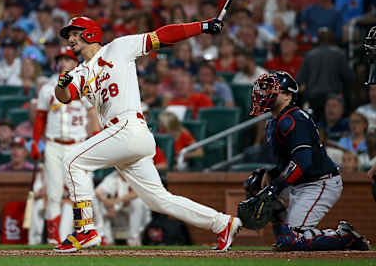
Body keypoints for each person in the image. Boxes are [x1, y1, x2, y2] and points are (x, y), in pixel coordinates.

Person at [53, 16, 241, 252]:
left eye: (73, 33)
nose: (69, 39)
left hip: (127, 127)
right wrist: (61, 85)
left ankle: (85, 230)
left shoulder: (118, 48)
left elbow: (162, 35)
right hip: (124, 137)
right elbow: (66, 96)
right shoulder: (80, 72)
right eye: (68, 35)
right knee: (158, 199)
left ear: (89, 33)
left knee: (71, 160)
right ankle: (222, 223)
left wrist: (202, 27)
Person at [250, 71, 369, 251]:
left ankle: (345, 236)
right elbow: (288, 161)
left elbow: (303, 161)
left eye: (274, 90)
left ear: (288, 95)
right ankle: (284, 234)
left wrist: (276, 186)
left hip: (319, 182)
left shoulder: (294, 118)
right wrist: (272, 174)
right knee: (256, 182)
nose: (267, 93)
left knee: (294, 241)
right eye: (266, 90)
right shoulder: (274, 121)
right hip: (300, 182)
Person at [32, 46, 101, 245]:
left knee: (82, 191)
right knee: (53, 193)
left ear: (75, 62)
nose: (64, 63)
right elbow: (40, 117)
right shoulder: (48, 87)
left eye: (68, 60)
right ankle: (54, 238)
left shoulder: (84, 82)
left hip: (77, 145)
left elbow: (92, 112)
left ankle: (87, 233)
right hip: (54, 145)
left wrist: (95, 136)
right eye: (61, 60)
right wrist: (36, 142)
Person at [296, 28, 354, 122]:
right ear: (332, 38)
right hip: (334, 98)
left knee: (317, 125)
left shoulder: (310, 54)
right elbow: (349, 77)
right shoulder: (339, 53)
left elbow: (299, 79)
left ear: (318, 39)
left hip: (314, 99)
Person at [95, 171, 151, 246]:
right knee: (99, 203)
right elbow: (97, 192)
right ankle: (106, 239)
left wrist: (118, 201)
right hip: (116, 213)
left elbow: (139, 192)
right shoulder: (113, 176)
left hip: (134, 215)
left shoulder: (137, 175)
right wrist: (107, 202)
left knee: (138, 202)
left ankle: (133, 239)